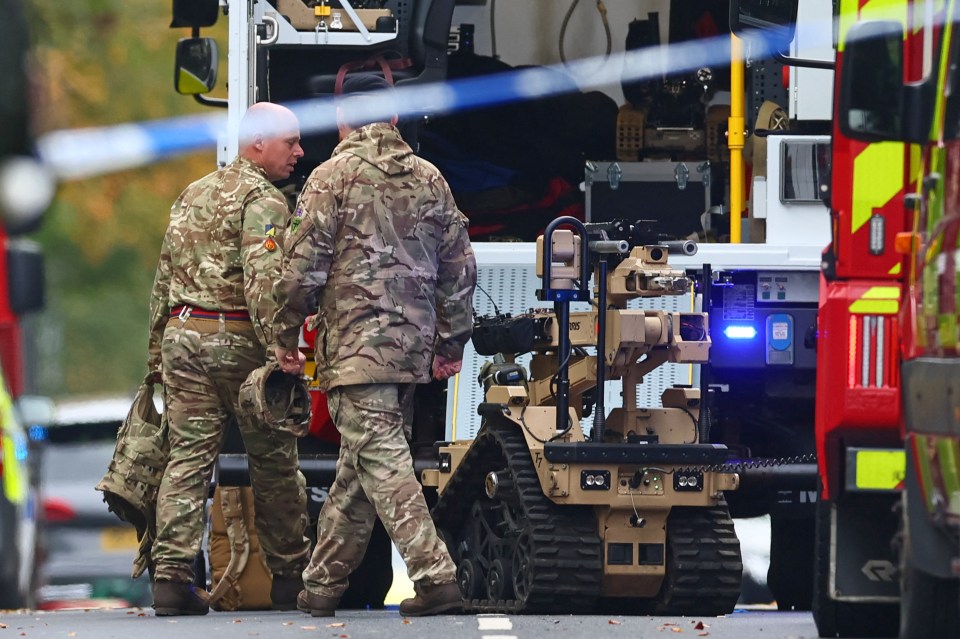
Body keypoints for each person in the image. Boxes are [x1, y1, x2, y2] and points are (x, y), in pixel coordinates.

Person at [272, 73, 477, 618]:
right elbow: (460, 268)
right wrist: (451, 340)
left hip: (355, 349)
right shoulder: (431, 179)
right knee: (361, 465)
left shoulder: (330, 177)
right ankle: (320, 587)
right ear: (393, 117)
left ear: (342, 121)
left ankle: (436, 576)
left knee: (380, 459)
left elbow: (298, 274)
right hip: (410, 352)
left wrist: (283, 335)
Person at [147, 102, 311, 616]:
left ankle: (171, 577)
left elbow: (163, 279)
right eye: (291, 142)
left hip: (183, 335)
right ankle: (288, 577)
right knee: (274, 459)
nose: (300, 152)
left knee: (188, 457)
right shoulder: (264, 201)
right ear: (259, 143)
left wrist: (157, 350)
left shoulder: (192, 192)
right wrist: (283, 347)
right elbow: (265, 283)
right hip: (236, 339)